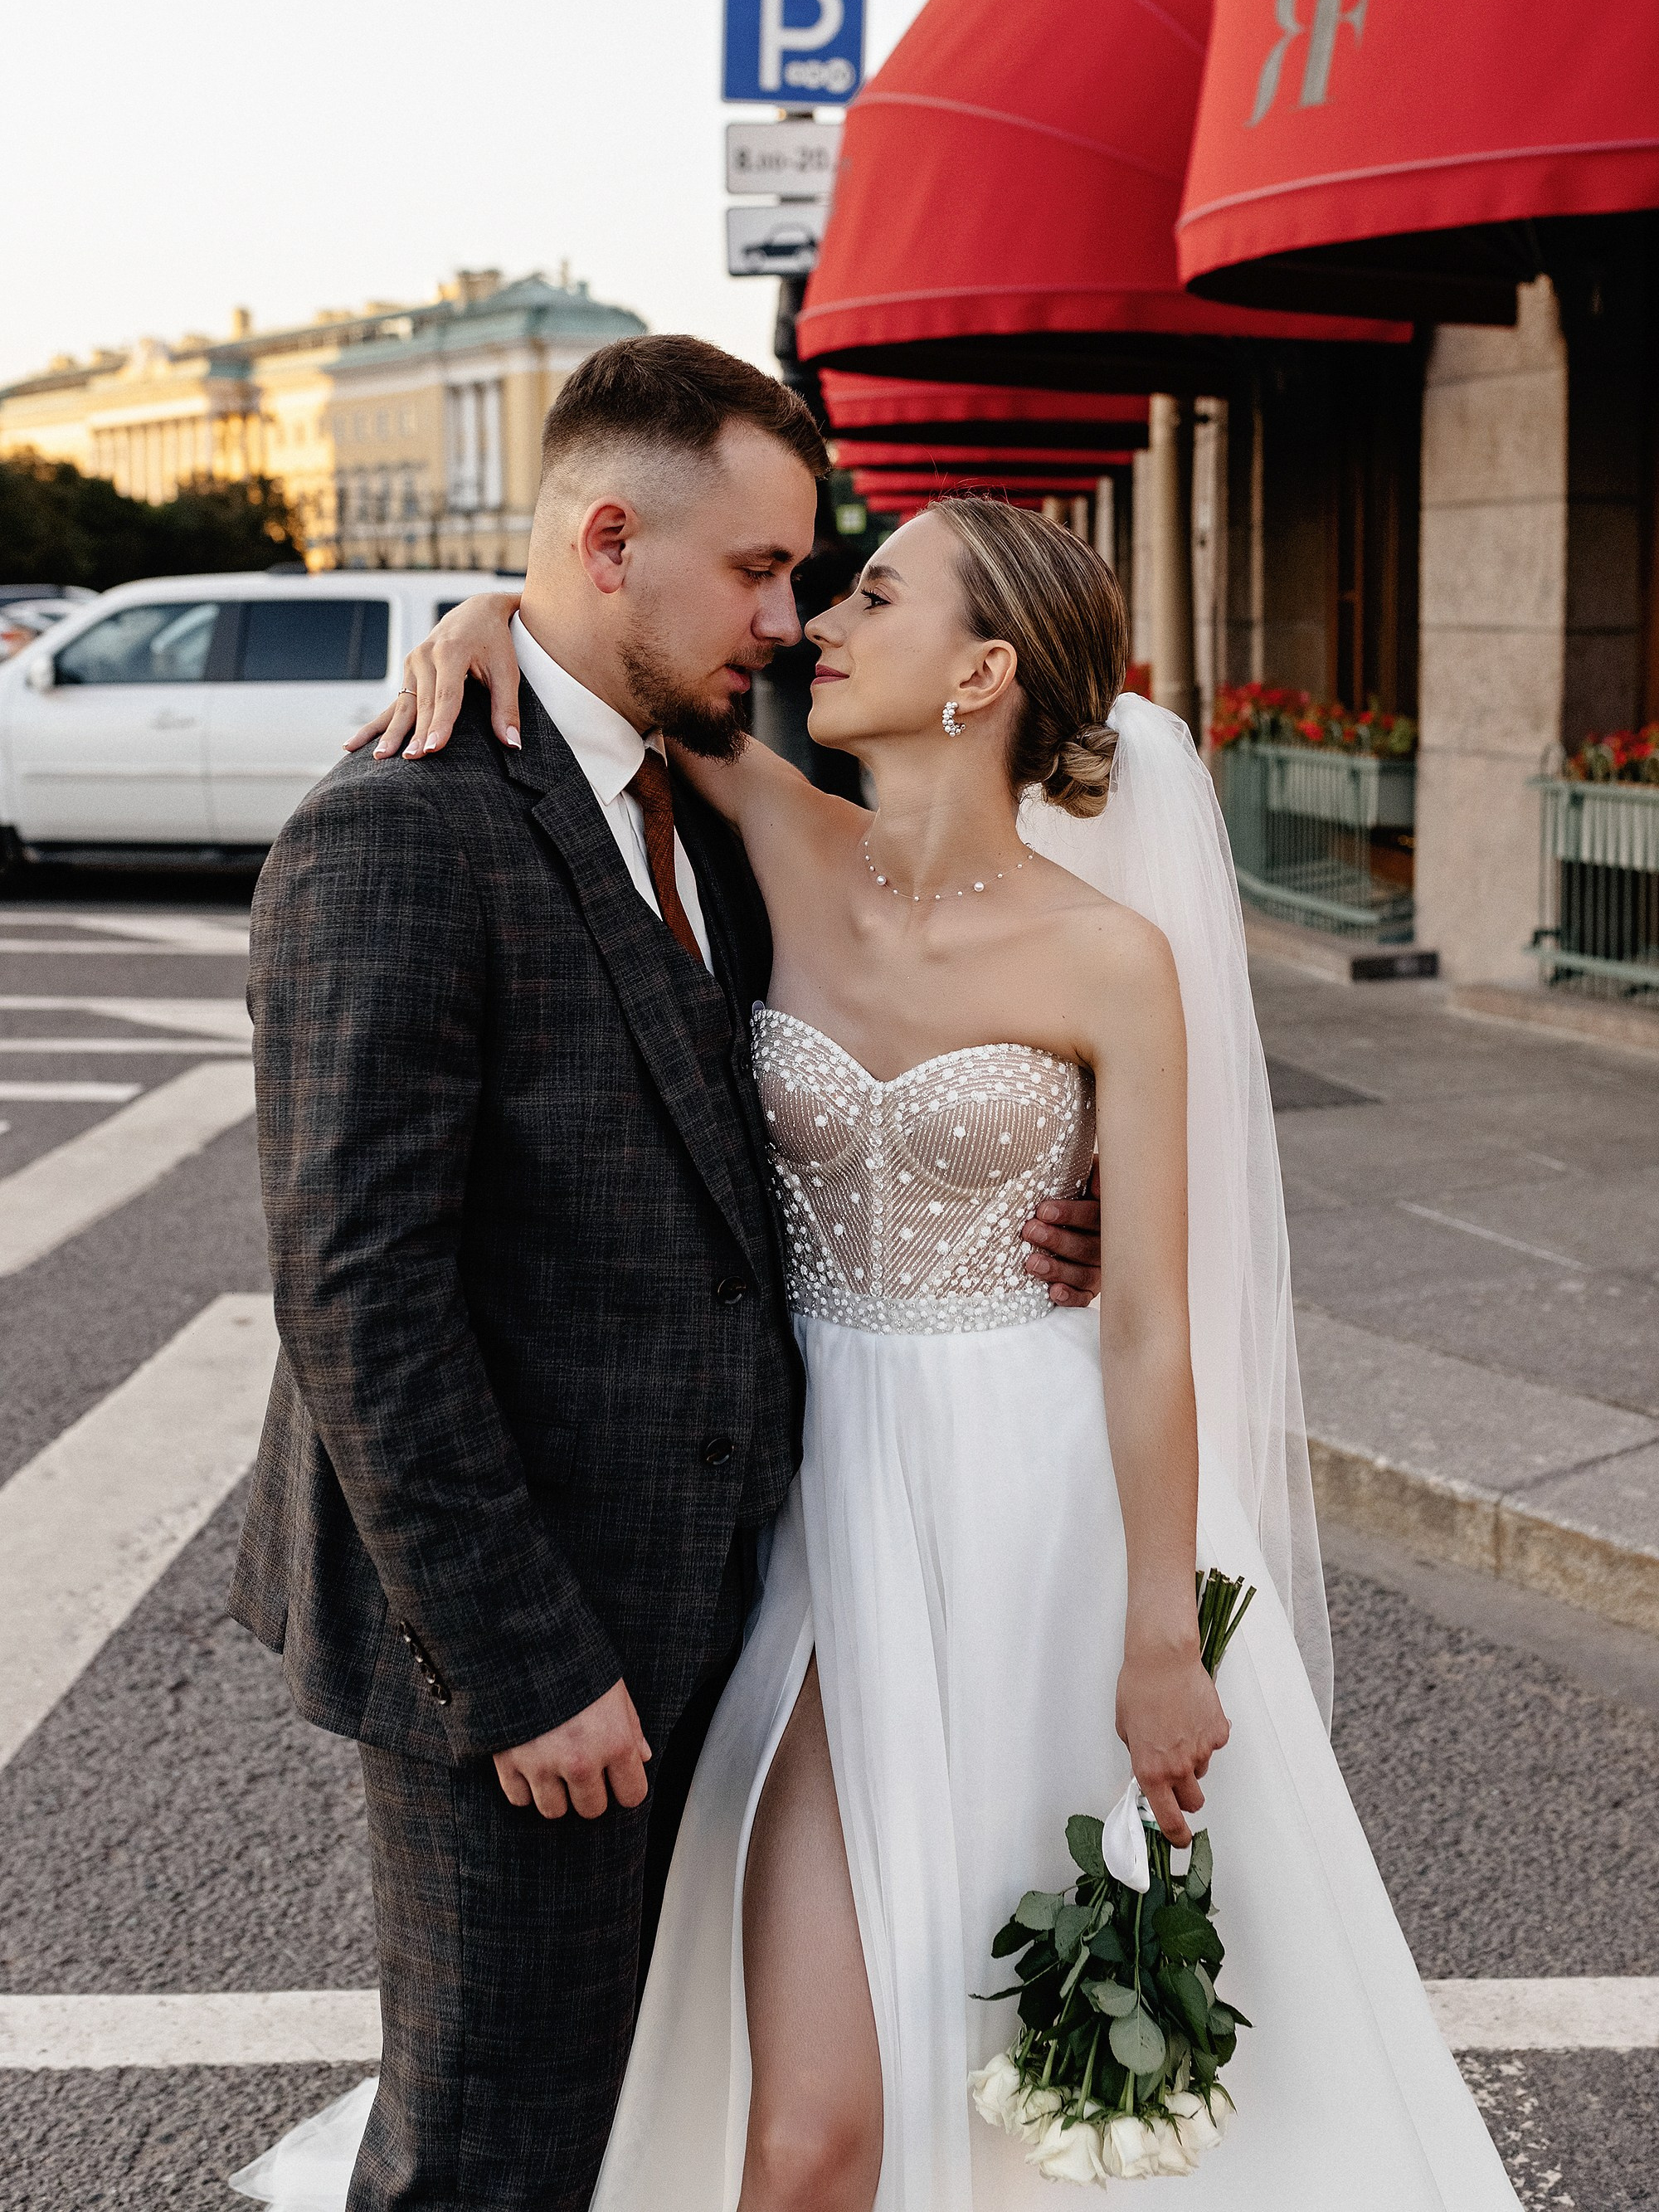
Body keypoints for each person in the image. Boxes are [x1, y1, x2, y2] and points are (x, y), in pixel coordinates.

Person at [242, 483, 1525, 2210]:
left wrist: (1162, 1631)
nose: (814, 627)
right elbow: (586, 671)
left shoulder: (1110, 961)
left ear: (982, 670)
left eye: (872, 599)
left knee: (986, 2091)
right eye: (807, 591)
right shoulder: (775, 832)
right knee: (813, 2128)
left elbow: (1147, 1321)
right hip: (803, 1493)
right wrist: (482, 616)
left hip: (1031, 1507)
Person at [227, 340, 1104, 2212]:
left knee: (643, 2123)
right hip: (525, 1651)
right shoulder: (397, 830)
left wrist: (1058, 1166)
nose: (789, 622)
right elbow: (356, 1290)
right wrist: (527, 1665)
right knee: (489, 2155)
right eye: (761, 572)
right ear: (611, 537)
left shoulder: (703, 791)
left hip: (741, 1605)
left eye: (811, 577)